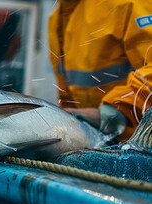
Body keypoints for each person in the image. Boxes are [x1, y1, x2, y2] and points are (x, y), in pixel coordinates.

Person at [49, 0, 152, 141]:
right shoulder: (57, 18)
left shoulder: (129, 3)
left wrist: (115, 112)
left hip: (141, 142)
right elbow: (66, 92)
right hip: (99, 142)